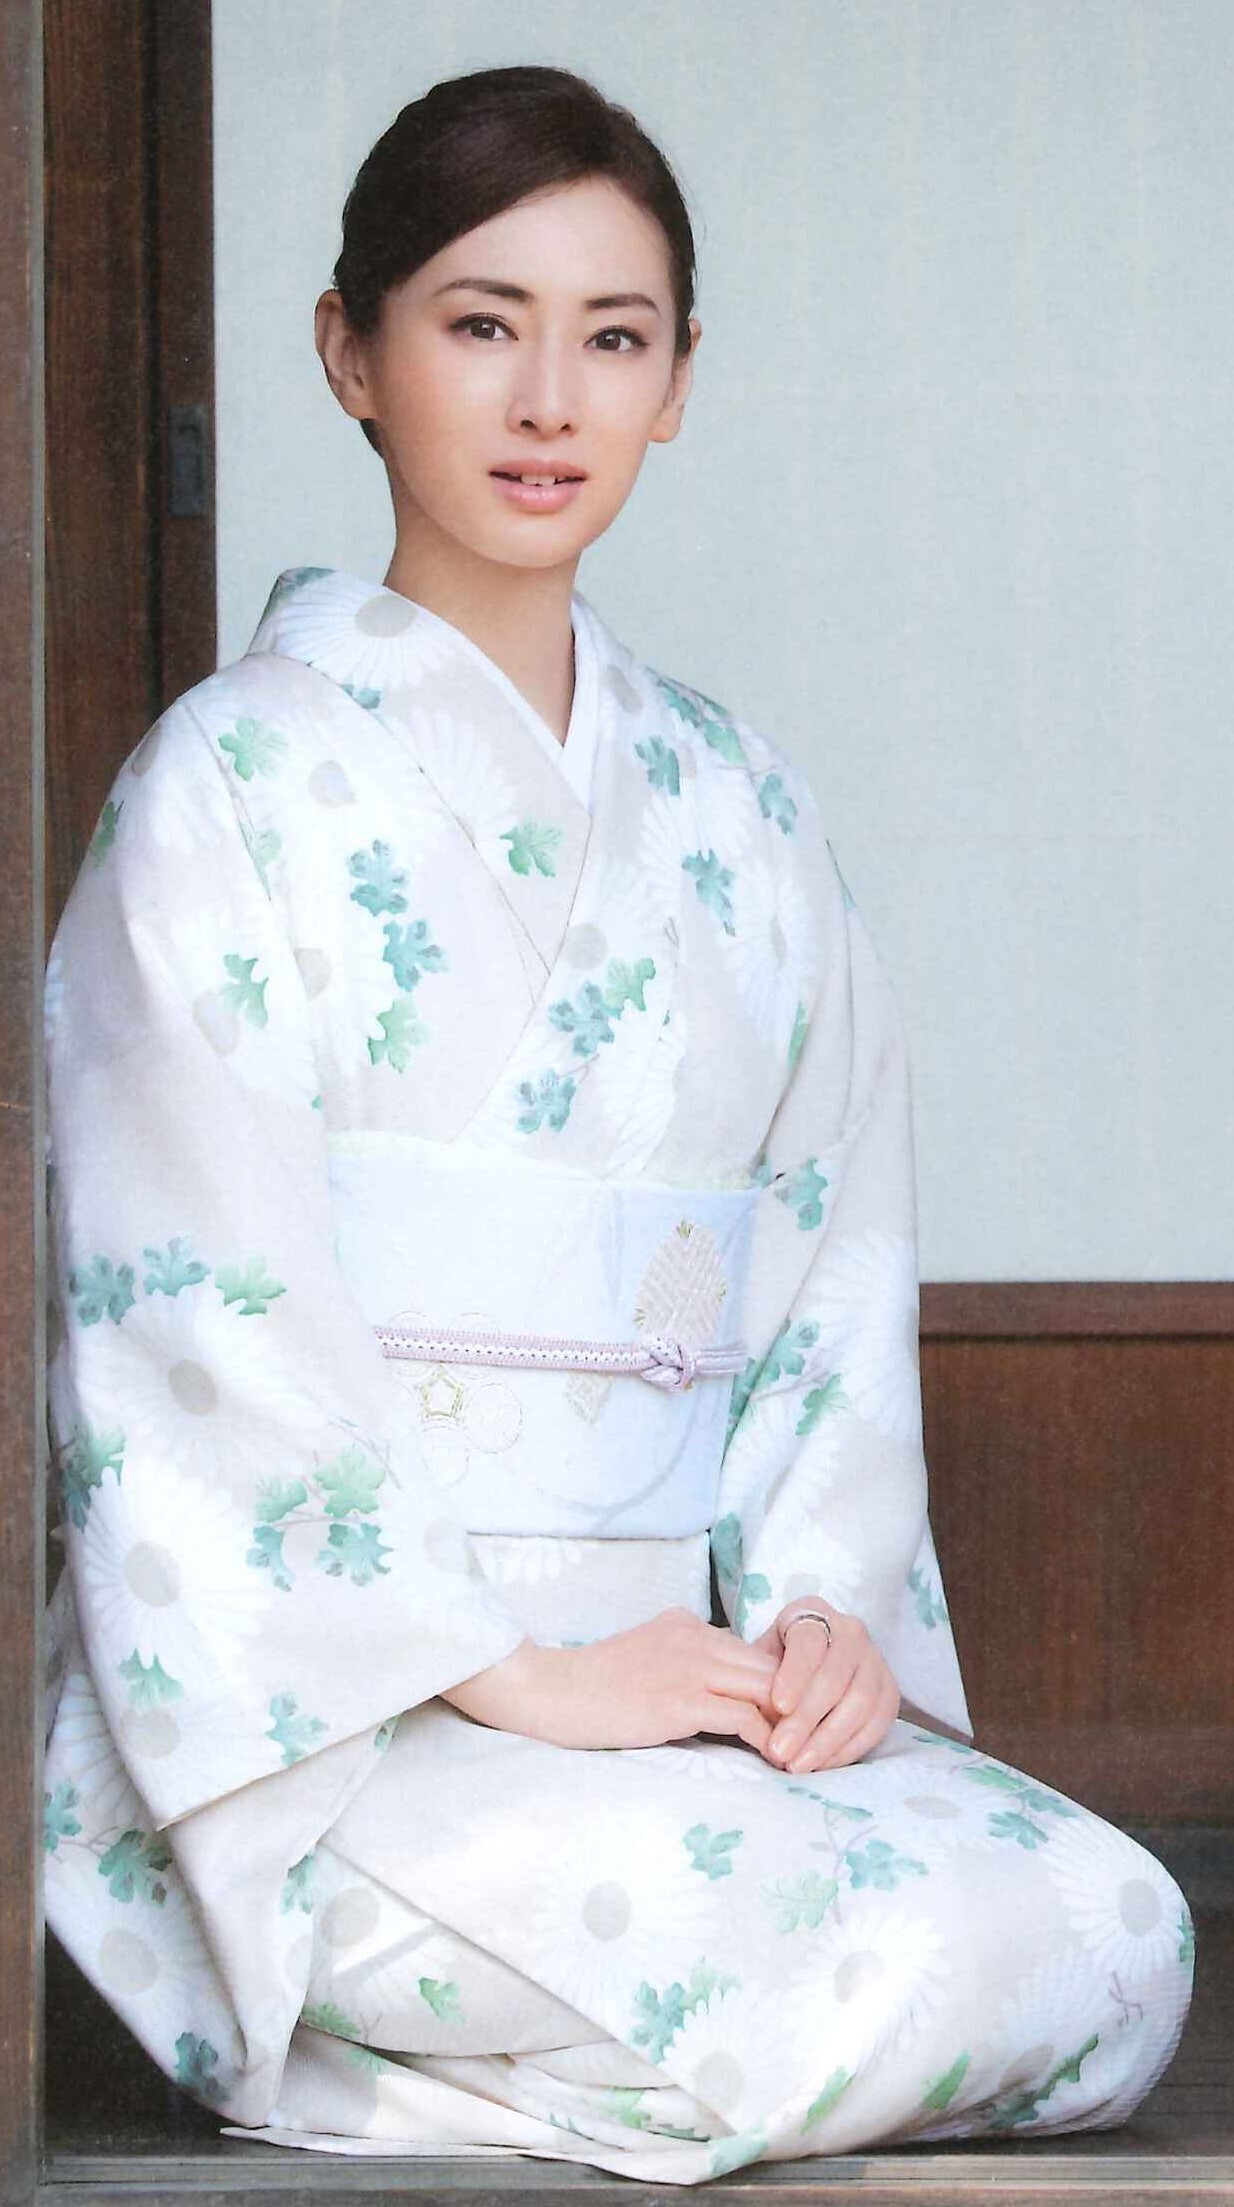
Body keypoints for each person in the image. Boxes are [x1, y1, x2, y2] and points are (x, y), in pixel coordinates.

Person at [42, 62, 1194, 2182]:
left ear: (676, 384)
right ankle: (414, 2005)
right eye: (480, 322)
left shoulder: (737, 811)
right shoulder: (229, 790)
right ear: (350, 354)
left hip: (681, 1684)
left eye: (613, 334)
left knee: (1108, 1927)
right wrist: (512, 1671)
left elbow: (822, 1271)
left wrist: (817, 1619)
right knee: (778, 1941)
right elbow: (197, 1318)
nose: (546, 398)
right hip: (352, 1710)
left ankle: (542, 2061)